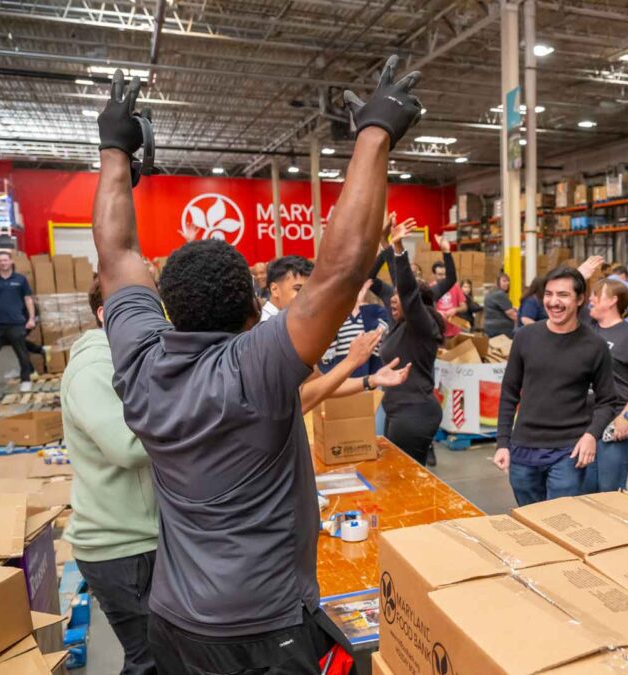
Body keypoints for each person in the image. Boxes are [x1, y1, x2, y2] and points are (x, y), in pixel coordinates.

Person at [93, 58, 422, 671]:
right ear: (253, 312)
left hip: (174, 622)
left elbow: (116, 253)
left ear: (168, 307)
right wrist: (376, 134)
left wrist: (116, 152)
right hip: (265, 628)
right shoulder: (256, 367)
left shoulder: (139, 360)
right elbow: (344, 271)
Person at [63, 279, 157, 675]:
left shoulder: (126, 358)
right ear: (106, 314)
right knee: (150, 660)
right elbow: (128, 447)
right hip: (120, 545)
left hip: (137, 535)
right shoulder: (94, 368)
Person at [494, 266, 618, 506]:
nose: (554, 302)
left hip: (568, 451)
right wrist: (502, 443)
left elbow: (607, 401)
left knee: (561, 520)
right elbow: (509, 393)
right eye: (549, 295)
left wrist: (592, 435)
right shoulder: (525, 337)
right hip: (523, 450)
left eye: (563, 295)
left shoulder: (595, 345)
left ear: (580, 299)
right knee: (531, 520)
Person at [380, 217, 447, 466]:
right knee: (397, 474)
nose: (393, 299)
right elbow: (401, 284)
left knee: (404, 475)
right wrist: (384, 241)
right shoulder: (402, 325)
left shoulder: (421, 325)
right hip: (398, 409)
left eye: (399, 297)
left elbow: (407, 290)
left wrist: (399, 248)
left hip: (414, 412)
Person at [582, 278, 628, 493]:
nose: (591, 299)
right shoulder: (588, 330)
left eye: (597, 295)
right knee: (586, 490)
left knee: (608, 491)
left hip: (616, 426)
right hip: (587, 424)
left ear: (613, 300)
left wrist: (626, 416)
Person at [0, 250, 36, 395]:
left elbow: (28, 299)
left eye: (5, 260)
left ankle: (25, 380)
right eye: (0, 261)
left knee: (22, 353)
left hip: (16, 323)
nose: (3, 263)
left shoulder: (20, 279)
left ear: (11, 261)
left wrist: (31, 318)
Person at [319, 279, 389, 376]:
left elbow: (378, 334)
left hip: (372, 374)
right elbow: (328, 352)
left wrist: (361, 304)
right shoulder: (337, 315)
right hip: (342, 375)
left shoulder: (375, 310)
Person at [259, 255, 313, 322]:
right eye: (298, 289)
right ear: (274, 289)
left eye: (309, 291)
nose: (306, 296)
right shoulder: (267, 326)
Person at [482, 273, 516, 338]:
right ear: (498, 282)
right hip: (501, 328)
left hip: (490, 327)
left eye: (508, 281)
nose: (507, 283)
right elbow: (510, 313)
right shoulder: (500, 294)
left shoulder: (491, 292)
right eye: (504, 281)